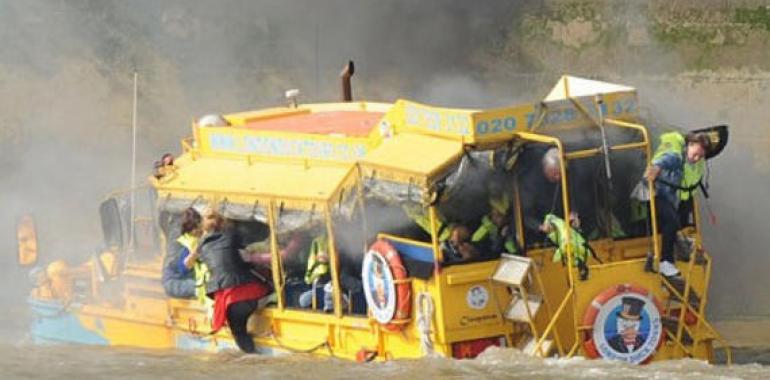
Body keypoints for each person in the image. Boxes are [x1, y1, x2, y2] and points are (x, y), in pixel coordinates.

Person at [196, 209, 271, 353]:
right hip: (248, 293)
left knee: (239, 334)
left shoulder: (202, 246)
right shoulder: (232, 235)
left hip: (227, 300)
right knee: (272, 290)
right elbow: (258, 236)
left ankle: (252, 358)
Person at [644, 132, 710, 277]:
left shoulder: (686, 163)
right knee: (672, 220)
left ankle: (670, 255)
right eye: (695, 153)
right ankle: (665, 261)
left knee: (674, 221)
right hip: (653, 194)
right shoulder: (676, 156)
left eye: (700, 156)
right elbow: (666, 160)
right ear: (689, 145)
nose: (696, 158)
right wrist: (655, 168)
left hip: (661, 196)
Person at [518, 146, 596, 247]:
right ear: (544, 168)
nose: (558, 177)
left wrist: (575, 213)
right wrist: (540, 227)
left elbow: (581, 197)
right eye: (554, 173)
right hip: (541, 240)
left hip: (571, 237)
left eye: (560, 173)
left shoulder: (573, 176)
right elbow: (525, 215)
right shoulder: (531, 182)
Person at [161, 208, 201, 299]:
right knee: (200, 287)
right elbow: (182, 267)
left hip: (185, 277)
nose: (200, 233)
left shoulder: (191, 239)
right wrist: (195, 253)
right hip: (175, 281)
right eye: (198, 230)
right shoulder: (181, 243)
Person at [471, 192, 518, 258]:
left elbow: (516, 252)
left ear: (506, 217)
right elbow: (494, 249)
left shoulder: (516, 224)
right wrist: (502, 237)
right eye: (493, 215)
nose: (494, 219)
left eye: (498, 215)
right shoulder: (492, 230)